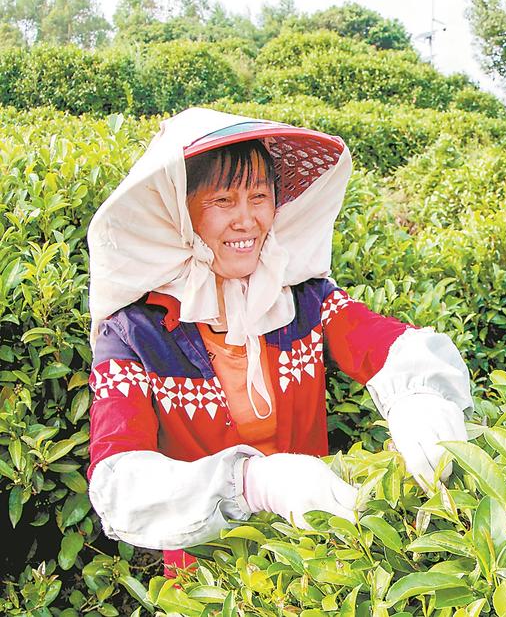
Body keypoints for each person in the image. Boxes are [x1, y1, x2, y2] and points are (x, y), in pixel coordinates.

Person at [86, 108, 472, 574]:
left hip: (319, 557)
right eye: (223, 200)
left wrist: (421, 399)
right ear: (180, 211)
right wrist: (253, 483)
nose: (246, 220)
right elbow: (118, 479)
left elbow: (381, 342)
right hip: (212, 580)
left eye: (259, 197)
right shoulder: (135, 332)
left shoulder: (301, 299)